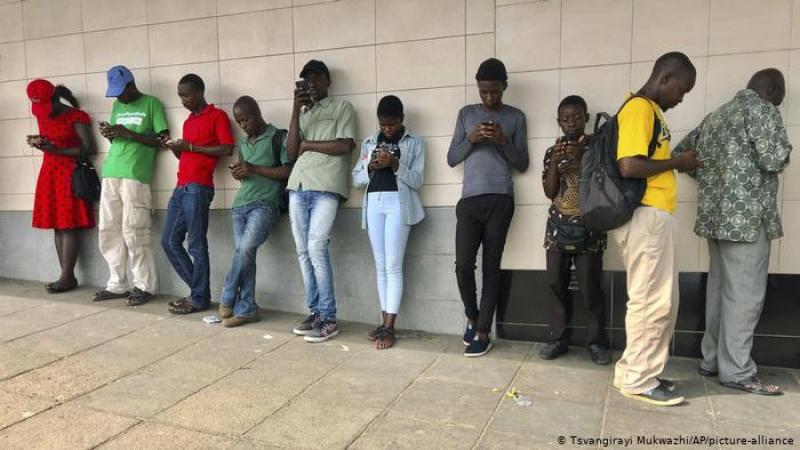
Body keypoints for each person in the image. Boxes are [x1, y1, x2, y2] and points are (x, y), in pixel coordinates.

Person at [673, 68, 792, 396]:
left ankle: (711, 360)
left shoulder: (716, 116)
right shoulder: (763, 110)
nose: (780, 103)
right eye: (780, 96)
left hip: (716, 218)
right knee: (745, 297)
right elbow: (774, 159)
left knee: (720, 292)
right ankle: (738, 371)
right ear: (772, 89)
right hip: (747, 221)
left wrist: (716, 180)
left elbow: (682, 154)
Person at [611, 52, 700, 406]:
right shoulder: (640, 108)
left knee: (652, 299)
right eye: (682, 89)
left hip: (651, 217)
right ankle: (639, 379)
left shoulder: (650, 111)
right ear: (665, 78)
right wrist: (678, 162)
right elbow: (629, 166)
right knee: (652, 301)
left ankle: (634, 371)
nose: (682, 98)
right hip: (646, 216)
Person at [447, 58, 529, 357]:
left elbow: (523, 163)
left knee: (491, 267)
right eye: (484, 91)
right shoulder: (466, 114)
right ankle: (472, 317)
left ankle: (483, 331)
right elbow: (452, 158)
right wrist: (471, 138)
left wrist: (502, 141)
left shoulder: (516, 116)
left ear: (504, 86)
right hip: (469, 199)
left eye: (495, 91)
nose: (489, 97)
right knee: (463, 265)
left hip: (500, 199)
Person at [287, 60, 356, 343]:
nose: (311, 84)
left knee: (316, 247)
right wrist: (295, 110)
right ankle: (315, 312)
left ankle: (328, 318)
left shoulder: (342, 108)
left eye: (316, 78)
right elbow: (291, 152)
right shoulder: (303, 113)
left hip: (326, 187)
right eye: (306, 80)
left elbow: (345, 145)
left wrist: (309, 145)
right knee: (303, 251)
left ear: (328, 81)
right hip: (298, 186)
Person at [539, 95, 609, 365]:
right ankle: (559, 339)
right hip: (557, 228)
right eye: (565, 119)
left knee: (590, 288)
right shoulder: (552, 151)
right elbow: (549, 191)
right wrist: (556, 163)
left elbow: (603, 186)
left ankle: (597, 342)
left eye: (576, 117)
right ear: (558, 121)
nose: (571, 122)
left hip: (590, 228)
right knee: (556, 284)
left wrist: (582, 161)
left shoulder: (598, 148)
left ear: (586, 118)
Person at [352, 95, 426, 349]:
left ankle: (390, 327)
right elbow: (356, 179)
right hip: (374, 202)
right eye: (383, 124)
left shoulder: (415, 142)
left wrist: (395, 164)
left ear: (401, 119)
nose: (387, 129)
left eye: (392, 124)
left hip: (398, 203)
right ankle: (384, 322)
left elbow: (417, 180)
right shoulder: (369, 142)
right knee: (380, 266)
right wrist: (370, 168)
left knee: (393, 266)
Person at [95, 65, 169, 306]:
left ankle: (144, 285)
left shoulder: (152, 104)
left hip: (136, 174)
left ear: (131, 84)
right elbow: (119, 137)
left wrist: (130, 134)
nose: (118, 97)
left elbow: (162, 140)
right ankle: (117, 283)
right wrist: (111, 133)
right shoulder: (117, 105)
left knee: (134, 230)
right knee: (108, 229)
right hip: (111, 171)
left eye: (121, 91)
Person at [161, 74, 234, 315]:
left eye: (186, 95)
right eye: (180, 96)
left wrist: (190, 146)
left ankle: (199, 296)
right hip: (181, 186)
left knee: (196, 245)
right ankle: (199, 293)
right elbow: (187, 155)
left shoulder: (217, 116)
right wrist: (176, 148)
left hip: (199, 187)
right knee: (168, 241)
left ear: (200, 93)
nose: (183, 100)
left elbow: (226, 148)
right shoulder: (188, 121)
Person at [219, 96, 291, 327]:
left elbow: (288, 171)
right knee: (245, 255)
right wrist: (239, 172)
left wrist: (254, 169)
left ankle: (228, 295)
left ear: (258, 113)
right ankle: (247, 308)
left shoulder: (278, 136)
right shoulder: (243, 144)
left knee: (246, 249)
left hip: (265, 204)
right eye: (239, 122)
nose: (243, 125)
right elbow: (246, 175)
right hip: (240, 205)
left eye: (246, 119)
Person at [26, 80, 95, 294]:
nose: (43, 113)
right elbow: (51, 140)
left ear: (54, 99)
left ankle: (66, 277)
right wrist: (39, 142)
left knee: (68, 225)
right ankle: (66, 276)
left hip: (69, 174)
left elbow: (89, 148)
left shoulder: (75, 116)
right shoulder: (42, 115)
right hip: (50, 173)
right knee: (57, 225)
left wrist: (55, 150)